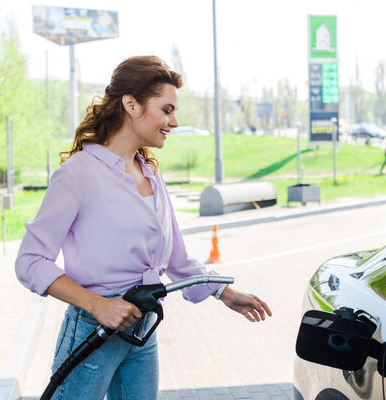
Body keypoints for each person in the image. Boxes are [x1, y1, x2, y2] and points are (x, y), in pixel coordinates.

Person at [15, 56, 272, 400]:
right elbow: (30, 261)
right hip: (94, 333)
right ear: (131, 105)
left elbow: (177, 259)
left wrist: (222, 292)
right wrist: (97, 305)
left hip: (142, 332)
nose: (174, 121)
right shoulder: (78, 175)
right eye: (166, 110)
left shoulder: (149, 172)